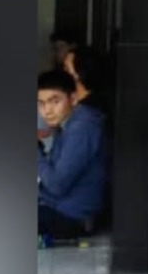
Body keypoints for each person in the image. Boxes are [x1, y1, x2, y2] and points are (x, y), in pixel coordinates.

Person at [37, 68, 108, 241]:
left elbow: (57, 185)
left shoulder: (82, 127)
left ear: (73, 99)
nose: (47, 111)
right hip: (56, 207)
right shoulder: (68, 122)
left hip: (72, 216)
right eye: (41, 103)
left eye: (55, 101)